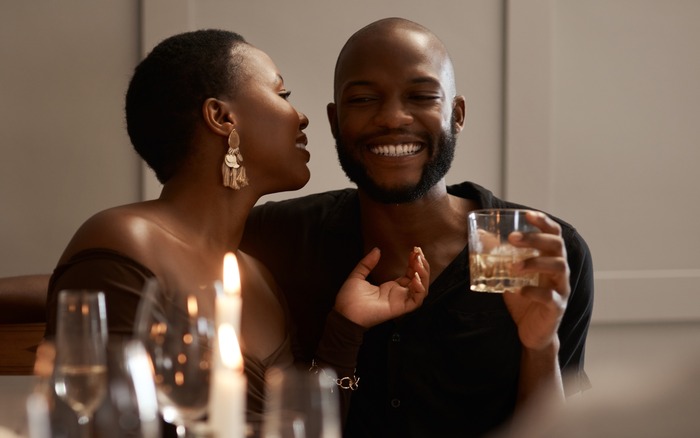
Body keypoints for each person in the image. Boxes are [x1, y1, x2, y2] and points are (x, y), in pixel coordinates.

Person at [42, 28, 429, 434]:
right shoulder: (123, 239)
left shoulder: (258, 276)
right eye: (282, 94)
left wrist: (347, 325)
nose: (301, 115)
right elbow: (108, 422)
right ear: (222, 117)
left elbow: (309, 426)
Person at [240, 17, 594, 437]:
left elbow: (555, 430)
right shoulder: (281, 237)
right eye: (365, 99)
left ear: (456, 114)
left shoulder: (522, 244)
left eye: (422, 95)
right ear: (335, 122)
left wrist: (540, 347)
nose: (392, 117)